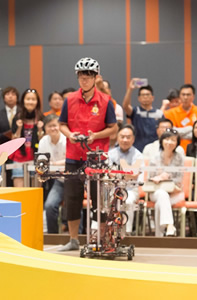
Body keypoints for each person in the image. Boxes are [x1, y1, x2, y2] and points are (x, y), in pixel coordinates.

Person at [58, 57, 117, 251]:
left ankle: (99, 239)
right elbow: (62, 124)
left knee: (98, 200)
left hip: (96, 158)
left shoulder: (106, 101)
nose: (84, 80)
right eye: (82, 76)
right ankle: (73, 240)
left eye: (88, 76)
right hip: (73, 156)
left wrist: (96, 136)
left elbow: (113, 129)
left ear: (95, 78)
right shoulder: (69, 100)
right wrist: (70, 135)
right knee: (72, 198)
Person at [108, 124, 143, 235]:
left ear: (133, 139)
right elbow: (109, 174)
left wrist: (118, 173)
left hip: (131, 189)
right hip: (112, 188)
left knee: (126, 201)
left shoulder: (138, 155)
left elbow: (134, 175)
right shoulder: (110, 154)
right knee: (103, 201)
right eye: (122, 136)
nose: (125, 140)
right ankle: (106, 232)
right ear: (117, 137)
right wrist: (127, 172)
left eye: (128, 137)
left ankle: (126, 233)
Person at [148, 129, 184, 237]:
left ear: (177, 143)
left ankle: (159, 236)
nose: (169, 142)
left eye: (173, 140)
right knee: (162, 195)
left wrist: (166, 177)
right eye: (167, 139)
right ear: (162, 141)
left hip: (174, 193)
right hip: (155, 191)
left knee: (161, 202)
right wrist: (159, 177)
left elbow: (179, 179)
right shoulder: (155, 158)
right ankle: (169, 225)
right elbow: (150, 177)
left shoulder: (179, 158)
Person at [38, 114, 66, 233]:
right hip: (58, 181)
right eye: (50, 126)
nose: (53, 128)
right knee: (49, 206)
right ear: (45, 128)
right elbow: (41, 161)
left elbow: (70, 160)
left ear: (59, 126)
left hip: (73, 180)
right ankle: (53, 236)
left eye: (55, 125)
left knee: (74, 206)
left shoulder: (66, 139)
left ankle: (77, 236)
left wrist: (54, 163)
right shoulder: (43, 141)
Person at [11, 88, 44, 187]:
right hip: (19, 156)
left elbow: (43, 140)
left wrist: (39, 129)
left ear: (37, 102)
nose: (30, 102)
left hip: (36, 157)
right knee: (19, 191)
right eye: (28, 99)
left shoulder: (41, 117)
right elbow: (13, 140)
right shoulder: (17, 117)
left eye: (33, 99)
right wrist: (19, 128)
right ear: (23, 101)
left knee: (36, 190)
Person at [122, 78, 163, 152]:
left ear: (152, 98)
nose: (145, 97)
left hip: (154, 150)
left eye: (147, 95)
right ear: (139, 98)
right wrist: (130, 89)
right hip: (137, 149)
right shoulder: (135, 111)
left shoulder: (159, 113)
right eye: (143, 95)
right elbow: (125, 106)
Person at [164, 84, 197, 152]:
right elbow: (172, 133)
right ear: (179, 96)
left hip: (195, 149)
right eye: (183, 94)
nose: (185, 97)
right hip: (176, 149)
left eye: (188, 95)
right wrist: (192, 128)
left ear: (193, 96)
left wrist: (179, 133)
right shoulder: (170, 113)